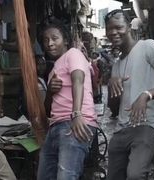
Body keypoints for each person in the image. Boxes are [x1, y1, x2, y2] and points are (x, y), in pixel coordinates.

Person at [105, 9, 154, 180]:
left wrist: (146, 95)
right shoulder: (116, 65)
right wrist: (112, 86)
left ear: (129, 27)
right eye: (109, 29)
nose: (114, 32)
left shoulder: (147, 46)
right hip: (122, 128)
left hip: (147, 125)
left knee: (135, 175)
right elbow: (114, 110)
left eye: (119, 27)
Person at [37, 22, 98, 180]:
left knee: (66, 176)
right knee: (44, 175)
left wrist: (76, 114)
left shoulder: (73, 53)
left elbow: (78, 79)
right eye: (45, 40)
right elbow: (48, 108)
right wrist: (50, 91)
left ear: (65, 40)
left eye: (54, 38)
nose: (49, 43)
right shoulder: (53, 69)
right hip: (55, 126)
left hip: (74, 124)